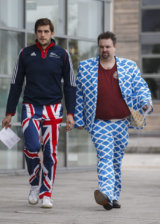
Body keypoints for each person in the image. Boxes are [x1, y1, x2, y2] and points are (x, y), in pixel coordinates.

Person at [2, 18, 76, 208]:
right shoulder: (25, 54)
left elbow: (69, 86)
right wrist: (9, 112)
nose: (43, 35)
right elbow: (15, 84)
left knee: (50, 153)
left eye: (46, 31)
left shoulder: (62, 55)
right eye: (39, 31)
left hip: (53, 109)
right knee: (32, 147)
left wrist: (71, 114)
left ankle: (46, 193)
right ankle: (35, 184)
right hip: (30, 107)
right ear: (35, 33)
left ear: (52, 33)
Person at [74, 31, 153, 210]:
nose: (104, 50)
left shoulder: (129, 66)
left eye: (108, 47)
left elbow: (140, 86)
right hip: (99, 122)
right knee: (105, 157)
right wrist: (78, 118)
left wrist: (145, 102)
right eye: (101, 47)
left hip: (122, 122)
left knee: (116, 161)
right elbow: (78, 95)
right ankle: (106, 193)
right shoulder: (86, 67)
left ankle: (113, 197)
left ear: (115, 47)